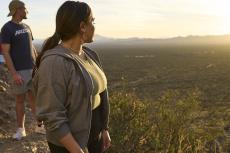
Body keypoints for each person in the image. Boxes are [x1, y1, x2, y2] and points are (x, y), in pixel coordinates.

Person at [33, 1, 111, 153]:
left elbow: (102, 92)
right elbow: (53, 116)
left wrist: (104, 128)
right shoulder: (55, 62)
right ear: (82, 26)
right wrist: (76, 150)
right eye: (92, 22)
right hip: (69, 143)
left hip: (94, 135)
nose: (94, 27)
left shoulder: (90, 55)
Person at [1, 0, 45, 140]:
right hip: (19, 71)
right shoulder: (7, 28)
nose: (27, 11)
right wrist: (14, 73)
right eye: (25, 9)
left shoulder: (27, 26)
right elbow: (5, 52)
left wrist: (38, 63)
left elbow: (31, 47)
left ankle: (39, 126)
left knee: (34, 99)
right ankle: (21, 130)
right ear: (17, 10)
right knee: (20, 100)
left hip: (32, 69)